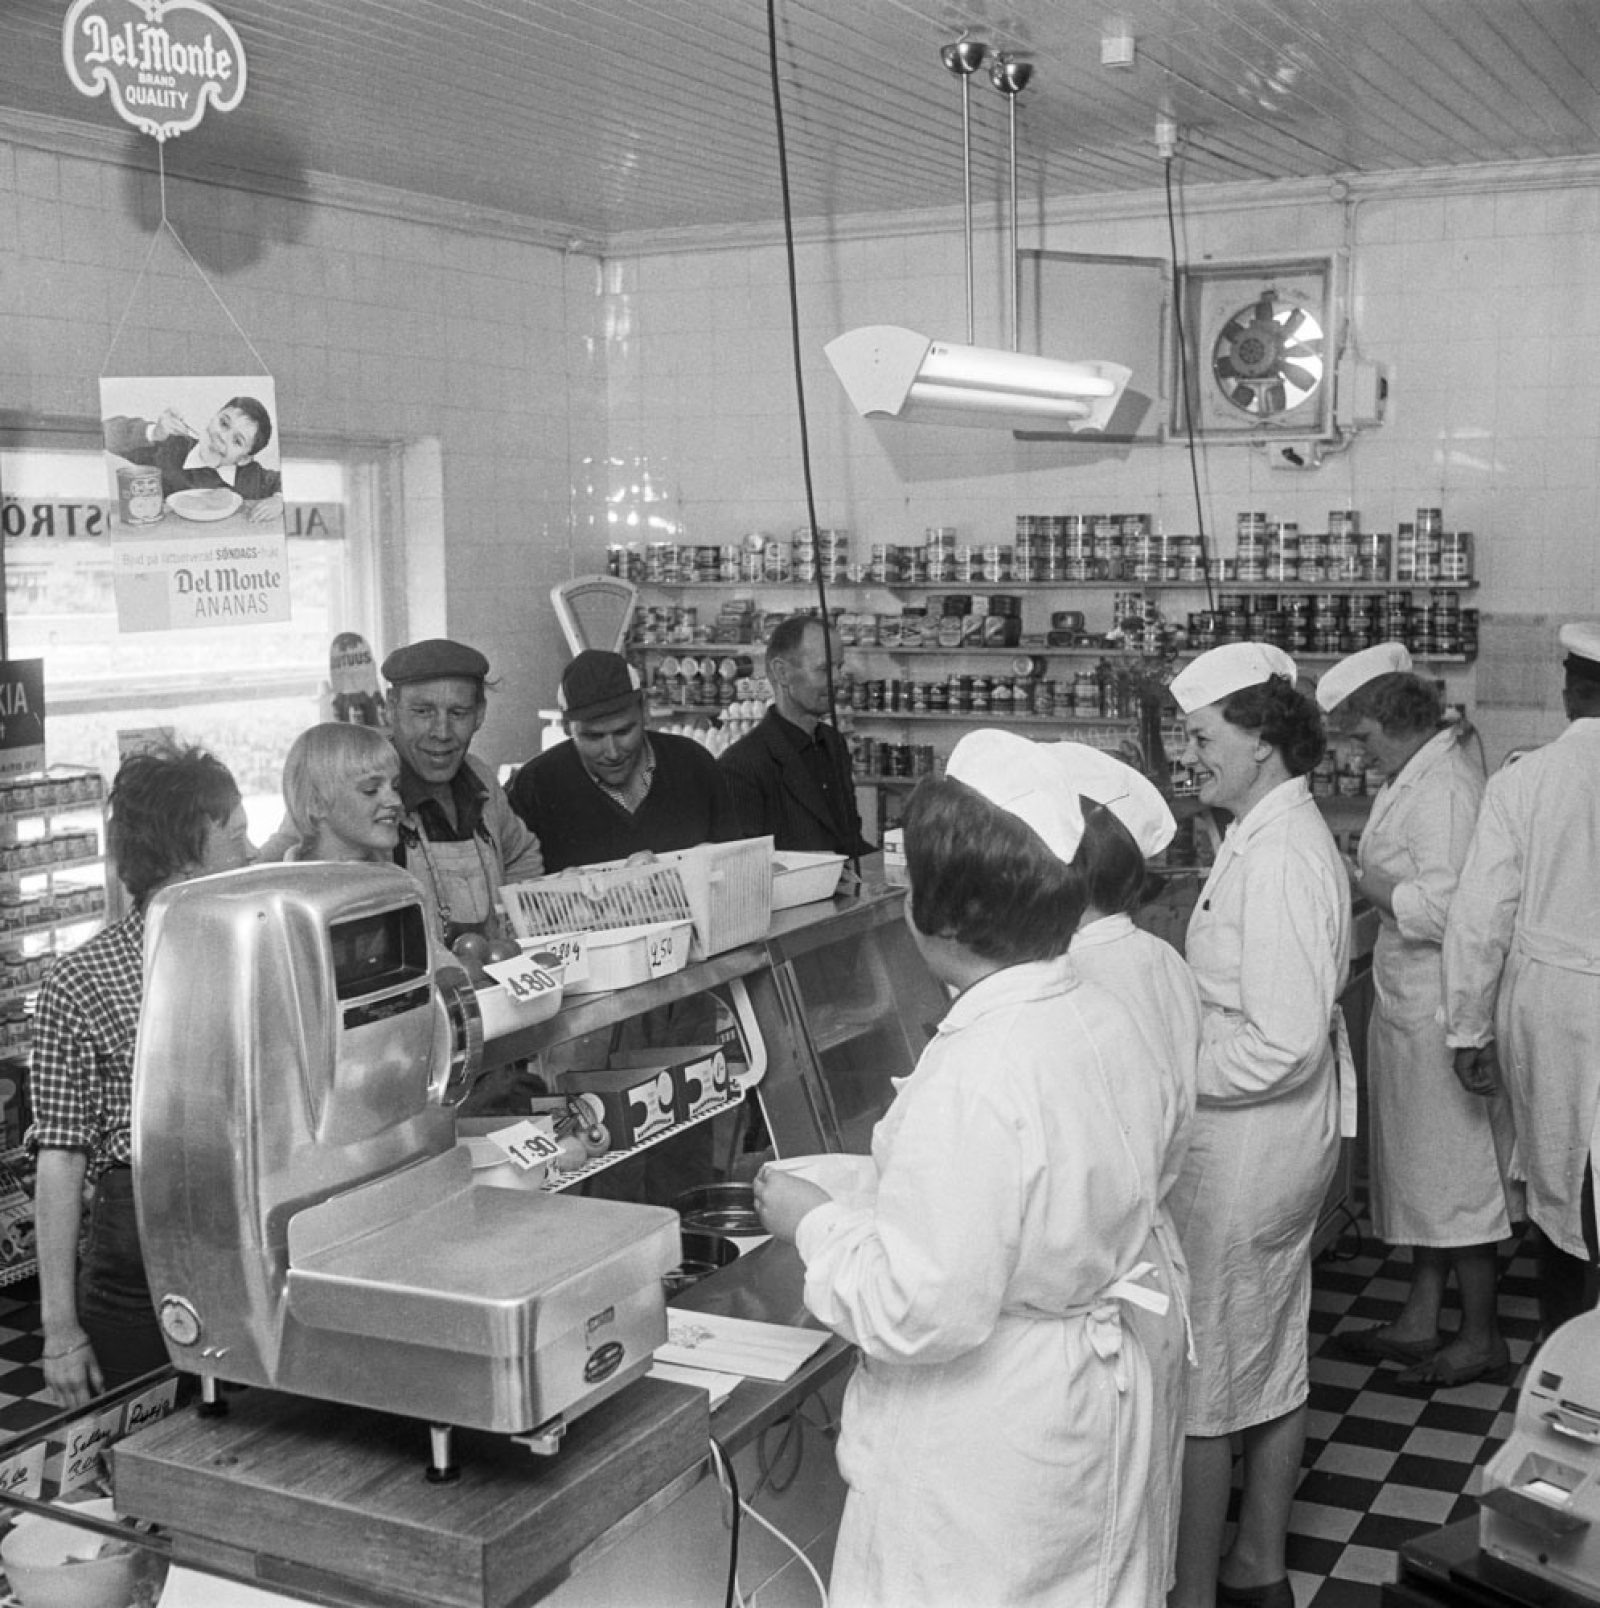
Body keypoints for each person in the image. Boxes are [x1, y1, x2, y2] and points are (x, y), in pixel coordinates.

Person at [755, 729, 1174, 1608]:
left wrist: (815, 1223)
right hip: (1079, 1403)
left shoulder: (981, 1066)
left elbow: (920, 1309)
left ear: (938, 916)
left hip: (989, 1447)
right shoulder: (1098, 1011)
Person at [1165, 642, 1351, 1608]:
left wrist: (1171, 1072)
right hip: (1277, 1146)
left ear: (1263, 743)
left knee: (1206, 1380)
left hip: (1248, 1148)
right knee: (1270, 1354)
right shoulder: (1267, 831)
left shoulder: (1278, 856)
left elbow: (1282, 1044)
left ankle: (1193, 1592)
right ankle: (1258, 1565)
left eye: (1202, 735)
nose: (1189, 751)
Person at [30, 746, 255, 1407]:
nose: (248, 853)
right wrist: (60, 1330)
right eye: (236, 835)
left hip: (245, 1241)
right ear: (189, 851)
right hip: (131, 1265)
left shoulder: (259, 953)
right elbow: (61, 1161)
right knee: (139, 1464)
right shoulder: (78, 981)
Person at [1318, 643, 1514, 1387]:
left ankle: (1480, 1336)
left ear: (1389, 719)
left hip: (1442, 1007)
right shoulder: (1418, 773)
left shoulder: (1447, 789)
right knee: (1423, 1175)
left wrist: (1363, 882)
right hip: (1410, 1003)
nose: (1360, 752)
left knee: (1457, 1180)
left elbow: (1447, 910)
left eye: (1362, 735)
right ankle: (1421, 1317)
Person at [1055, 741, 1201, 1595]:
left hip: (1109, 1275)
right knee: (1149, 1510)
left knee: (1109, 1535)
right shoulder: (1159, 958)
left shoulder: (1079, 980)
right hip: (1154, 1257)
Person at [1444, 620, 1600, 1337]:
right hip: (1562, 998)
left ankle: (1568, 1367)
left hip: (1555, 1011)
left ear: (1571, 690)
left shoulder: (1527, 779)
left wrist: (1468, 1027)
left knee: (1563, 1192)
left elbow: (1482, 916)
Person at [507, 649, 739, 871]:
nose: (613, 752)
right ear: (568, 727)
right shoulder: (536, 785)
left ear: (645, 711)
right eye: (593, 737)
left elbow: (735, 861)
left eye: (623, 732)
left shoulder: (693, 764)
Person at [381, 637, 543, 943]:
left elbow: (521, 854)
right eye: (423, 712)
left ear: (479, 714)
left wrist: (517, 928)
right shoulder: (361, 786)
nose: (441, 733)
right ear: (392, 708)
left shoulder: (480, 777)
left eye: (458, 713)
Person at [718, 614, 872, 858]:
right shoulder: (741, 766)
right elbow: (747, 873)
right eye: (823, 669)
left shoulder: (833, 743)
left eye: (838, 667)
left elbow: (851, 843)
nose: (837, 680)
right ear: (782, 673)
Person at [103, 397, 284, 524]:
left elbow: (284, 482)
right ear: (212, 418)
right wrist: (153, 432)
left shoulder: (251, 475)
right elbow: (106, 433)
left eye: (237, 441)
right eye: (224, 423)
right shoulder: (170, 447)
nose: (222, 436)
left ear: (244, 458)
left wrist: (278, 500)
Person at [282, 722, 404, 864]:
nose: (396, 801)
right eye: (371, 790)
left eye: (395, 787)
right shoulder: (283, 885)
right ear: (317, 804)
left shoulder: (399, 880)